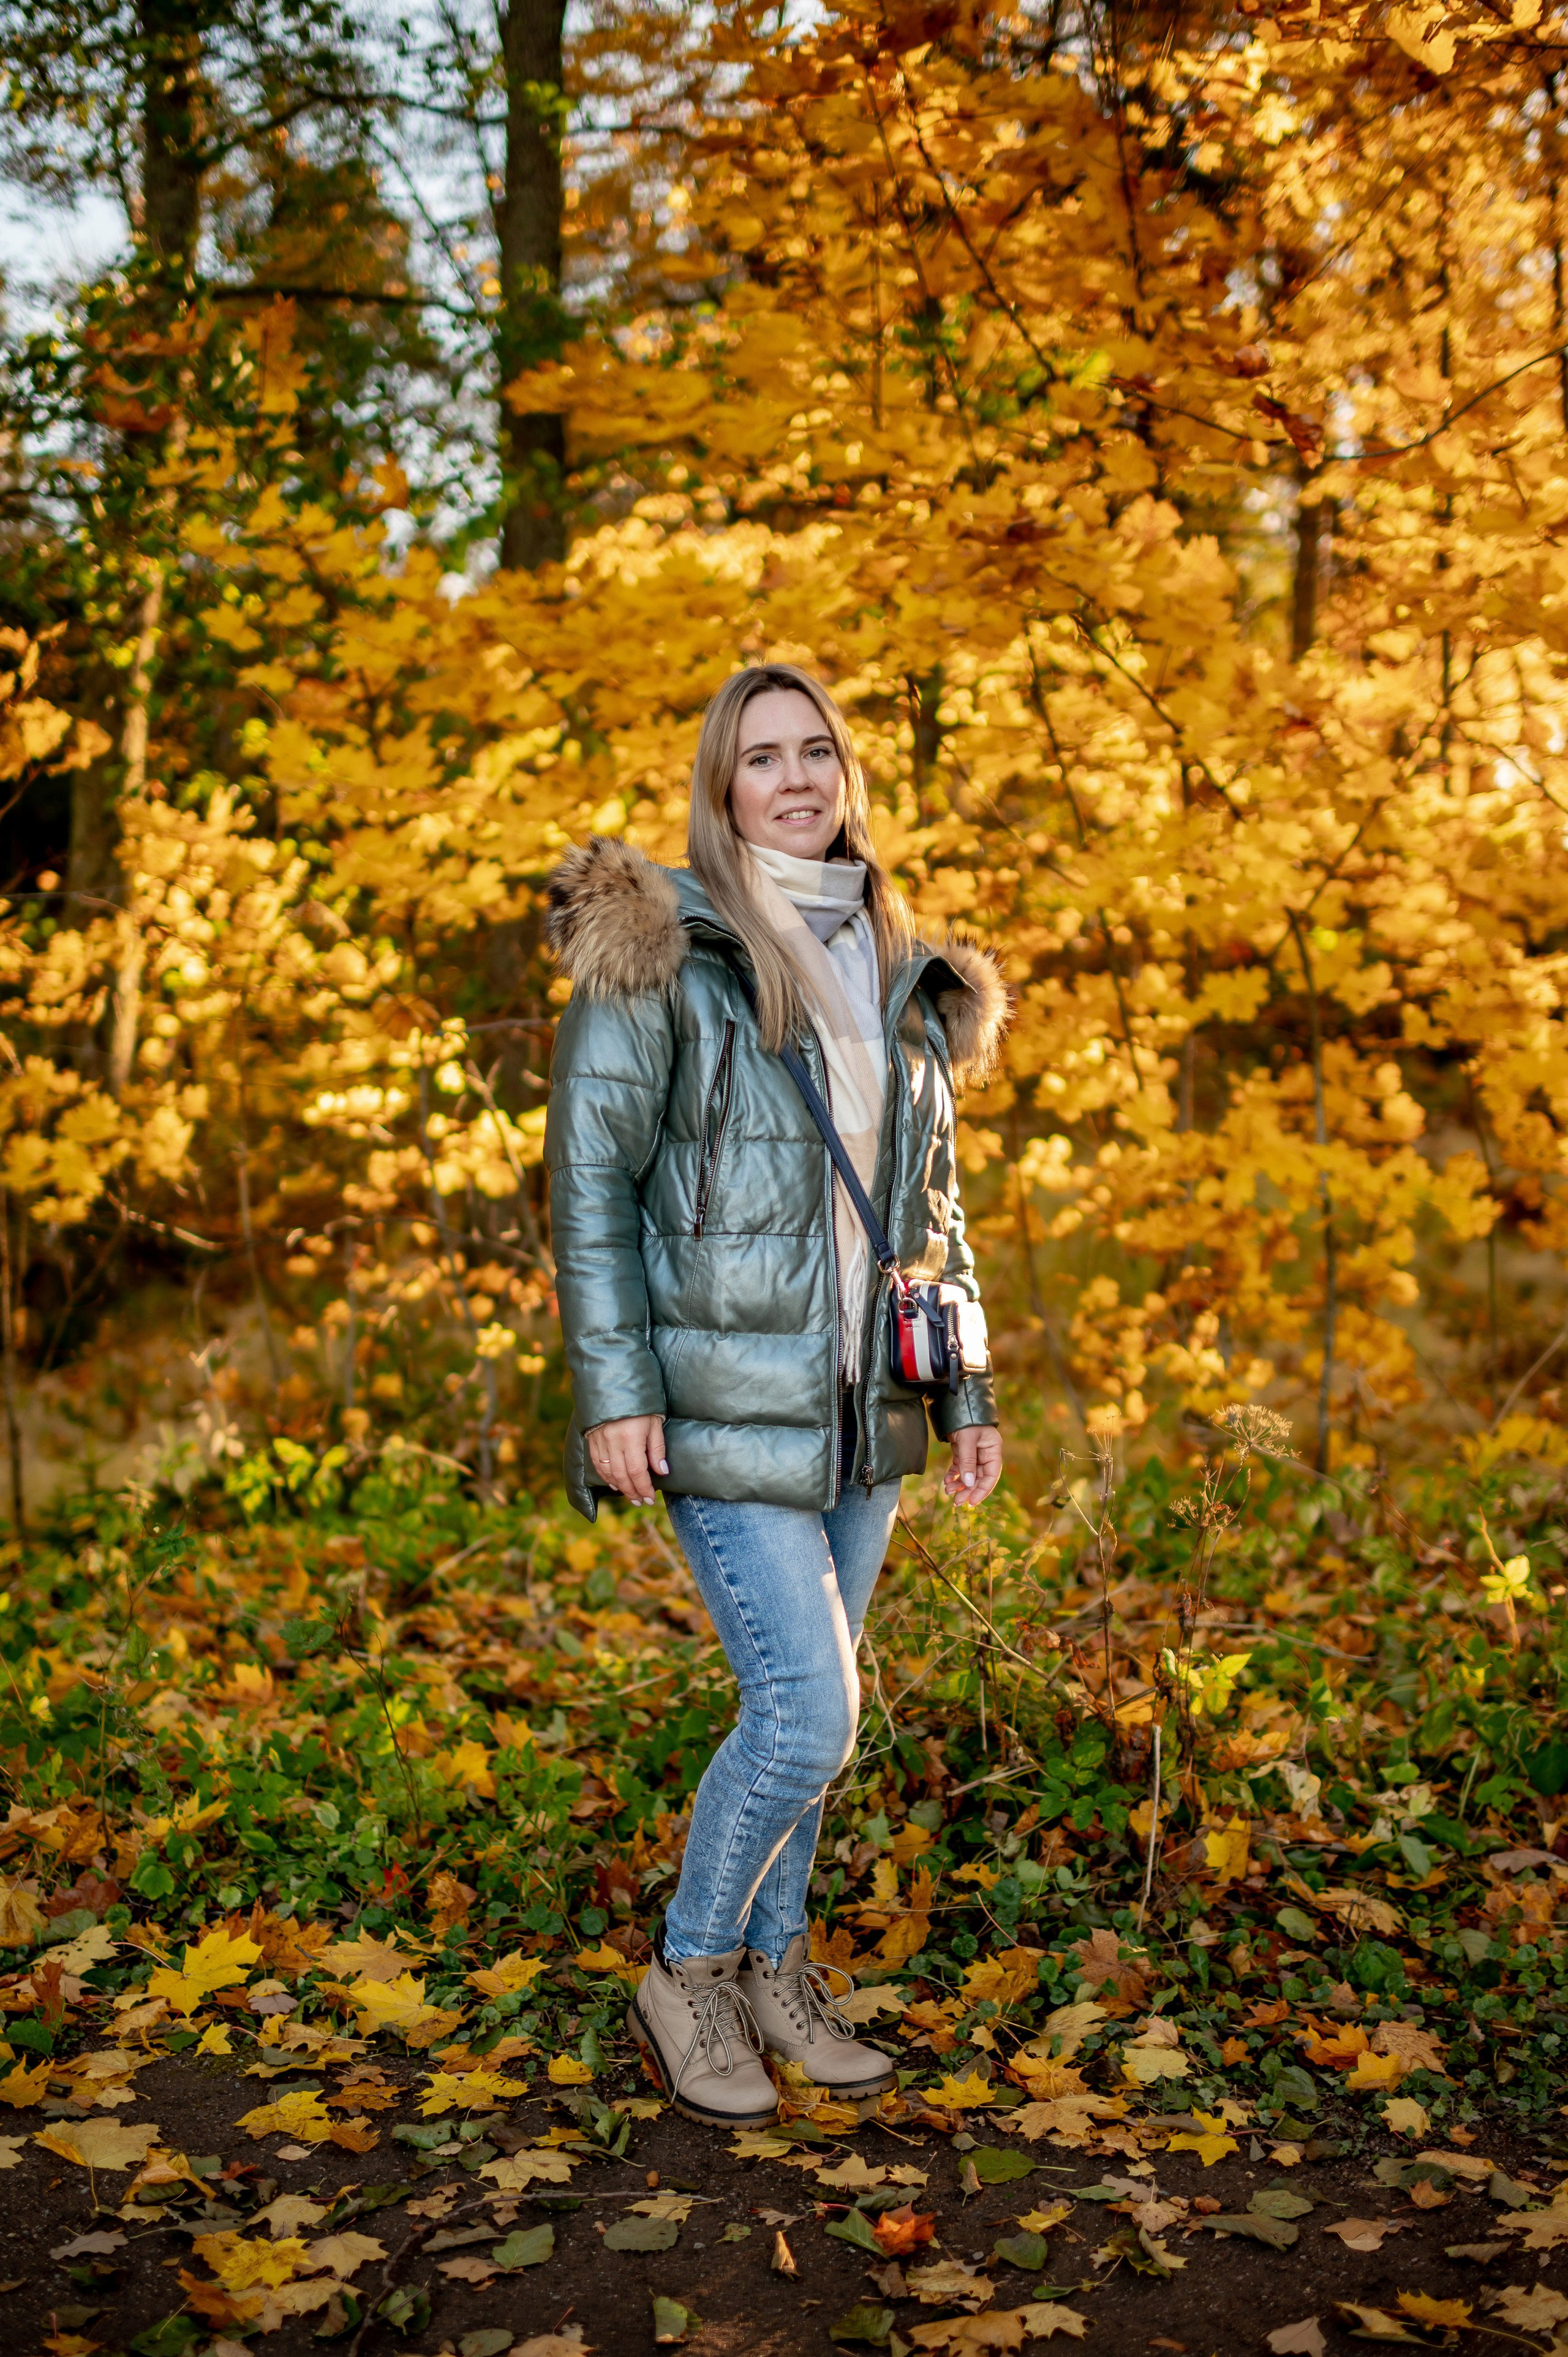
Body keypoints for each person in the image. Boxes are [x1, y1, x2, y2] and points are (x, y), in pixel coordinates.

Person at [543, 663, 1006, 2127]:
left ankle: (776, 1970)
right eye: (764, 757)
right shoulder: (668, 954)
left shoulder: (896, 960)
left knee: (820, 1707)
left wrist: (968, 1389)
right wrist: (614, 1388)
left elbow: (928, 1207)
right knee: (808, 1714)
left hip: (866, 1402)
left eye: (819, 751)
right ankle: (688, 1973)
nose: (797, 778)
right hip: (719, 1398)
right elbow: (588, 1187)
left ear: (845, 775)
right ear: (721, 784)